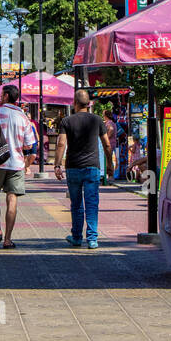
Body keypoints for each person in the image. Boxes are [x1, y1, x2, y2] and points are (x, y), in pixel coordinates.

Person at [55, 89, 114, 249]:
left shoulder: (67, 121)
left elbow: (61, 144)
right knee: (92, 203)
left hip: (73, 167)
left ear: (74, 103)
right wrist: (110, 163)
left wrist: (57, 164)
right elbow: (107, 144)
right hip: (92, 167)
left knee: (76, 204)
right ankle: (92, 239)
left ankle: (76, 237)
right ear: (89, 104)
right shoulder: (97, 120)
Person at [0, 84, 37, 248]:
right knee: (12, 198)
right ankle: (8, 239)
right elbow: (30, 144)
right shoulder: (23, 117)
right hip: (16, 163)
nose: (0, 97)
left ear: (6, 96)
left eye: (2, 94)